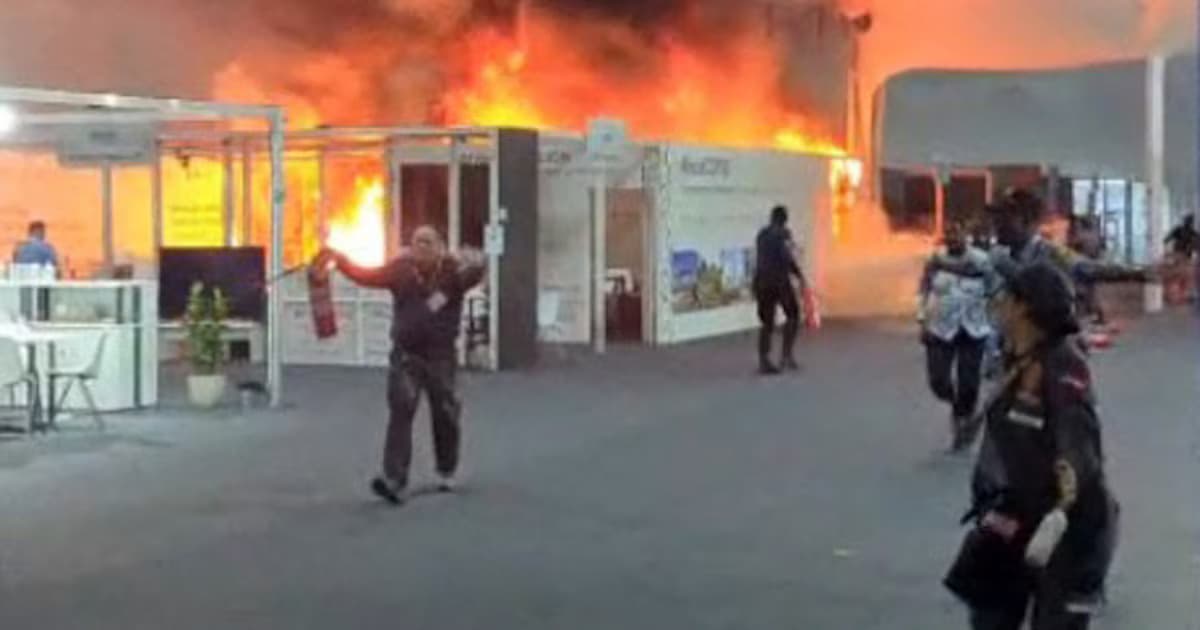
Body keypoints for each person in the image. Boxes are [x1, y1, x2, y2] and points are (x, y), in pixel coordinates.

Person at [946, 263, 1118, 630]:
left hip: (1067, 524)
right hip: (1014, 512)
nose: (998, 304)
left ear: (1024, 307)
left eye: (1005, 296)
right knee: (988, 614)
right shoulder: (1017, 360)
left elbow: (1078, 444)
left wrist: (1062, 504)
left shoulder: (1063, 365)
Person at [321, 225, 486, 505]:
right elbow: (366, 276)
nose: (420, 246)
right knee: (401, 411)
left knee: (445, 413)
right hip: (406, 355)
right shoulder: (400, 271)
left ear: (440, 247)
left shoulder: (453, 273)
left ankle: (446, 468)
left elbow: (478, 270)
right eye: (416, 241)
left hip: (440, 357)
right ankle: (394, 479)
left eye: (427, 242)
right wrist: (340, 260)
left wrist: (474, 258)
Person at [918, 221, 995, 451]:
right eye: (949, 233)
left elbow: (992, 287)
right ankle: (955, 403)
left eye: (957, 233)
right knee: (938, 381)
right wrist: (921, 319)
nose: (953, 238)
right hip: (940, 328)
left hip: (973, 327)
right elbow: (923, 290)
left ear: (966, 236)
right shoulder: (935, 260)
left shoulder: (981, 259)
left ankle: (963, 422)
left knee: (969, 382)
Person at [753, 205, 806, 374]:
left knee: (766, 323)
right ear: (784, 220)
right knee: (793, 315)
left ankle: (764, 360)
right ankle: (786, 355)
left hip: (761, 281)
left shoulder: (761, 235)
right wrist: (799, 275)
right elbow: (787, 257)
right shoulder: (783, 235)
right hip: (779, 282)